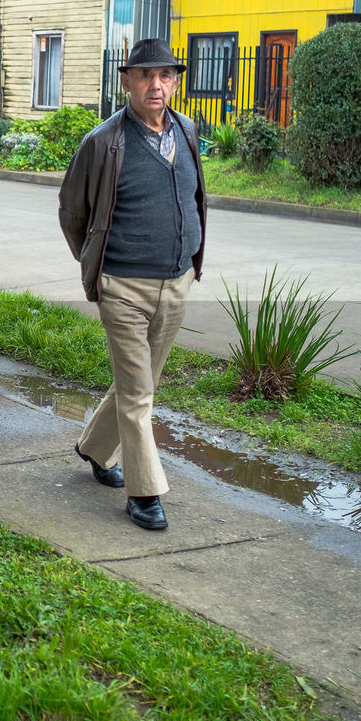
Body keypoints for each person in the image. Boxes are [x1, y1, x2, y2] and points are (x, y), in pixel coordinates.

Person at [57, 37, 207, 530]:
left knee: (138, 386)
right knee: (140, 395)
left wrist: (189, 260)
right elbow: (72, 212)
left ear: (175, 82)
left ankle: (95, 449)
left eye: (165, 75)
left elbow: (194, 195)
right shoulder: (103, 141)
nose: (156, 85)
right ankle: (145, 494)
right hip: (123, 285)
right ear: (126, 81)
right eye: (145, 75)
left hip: (176, 281)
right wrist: (98, 264)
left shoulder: (186, 130)